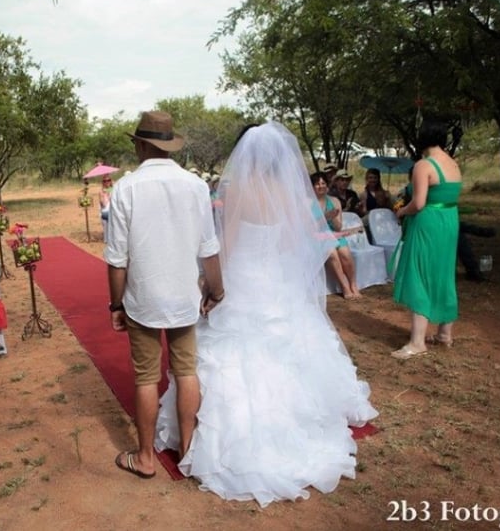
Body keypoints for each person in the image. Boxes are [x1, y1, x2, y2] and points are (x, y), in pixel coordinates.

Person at [154, 122, 378, 505]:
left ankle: (228, 438)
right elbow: (293, 244)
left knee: (230, 355)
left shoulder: (239, 189)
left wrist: (210, 285)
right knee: (287, 353)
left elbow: (227, 246)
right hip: (276, 282)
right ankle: (294, 422)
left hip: (242, 278)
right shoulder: (288, 191)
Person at [105, 110, 224, 479]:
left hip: (142, 298)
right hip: (185, 298)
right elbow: (209, 249)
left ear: (141, 145)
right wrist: (217, 290)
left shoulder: (125, 188)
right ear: (169, 146)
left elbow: (117, 259)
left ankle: (145, 457)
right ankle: (187, 450)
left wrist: (116, 304)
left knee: (146, 376)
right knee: (186, 370)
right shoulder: (196, 186)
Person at [392, 117, 462, 359]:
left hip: (428, 223)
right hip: (449, 221)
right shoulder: (453, 163)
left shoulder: (424, 165)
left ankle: (417, 342)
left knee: (419, 274)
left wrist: (402, 211)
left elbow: (419, 203)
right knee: (444, 273)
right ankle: (444, 334)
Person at [311, 172, 361, 299]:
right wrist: (324, 218)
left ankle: (353, 284)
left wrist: (333, 218)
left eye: (323, 183)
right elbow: (307, 228)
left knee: (345, 253)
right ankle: (344, 286)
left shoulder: (334, 201)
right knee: (332, 253)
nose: (321, 186)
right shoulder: (307, 202)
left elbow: (338, 227)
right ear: (312, 186)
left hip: (333, 234)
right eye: (317, 184)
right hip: (316, 236)